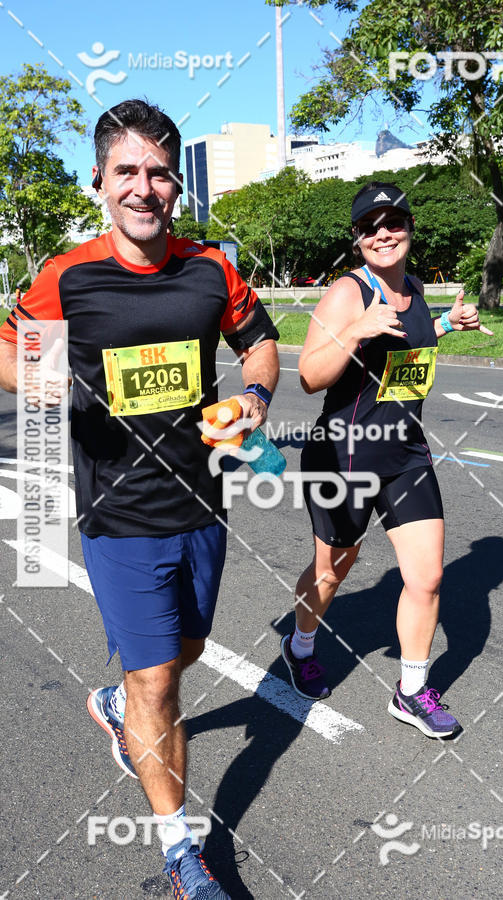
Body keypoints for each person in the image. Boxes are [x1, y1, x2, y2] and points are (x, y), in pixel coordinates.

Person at [0, 99, 280, 899]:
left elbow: (260, 342)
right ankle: (181, 851)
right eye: (127, 170)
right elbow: (8, 348)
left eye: (159, 172)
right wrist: (29, 376)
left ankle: (115, 699)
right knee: (157, 682)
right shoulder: (68, 276)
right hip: (117, 516)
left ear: (175, 186)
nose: (144, 187)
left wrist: (255, 398)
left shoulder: (212, 269)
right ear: (99, 181)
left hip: (203, 505)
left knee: (184, 654)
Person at [280, 181, 492, 739]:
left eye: (393, 223)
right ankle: (300, 645)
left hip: (406, 453)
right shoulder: (348, 293)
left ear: (409, 228)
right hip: (343, 456)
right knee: (332, 570)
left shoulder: (414, 287)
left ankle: (411, 690)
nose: (383, 234)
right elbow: (309, 376)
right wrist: (356, 330)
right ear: (357, 239)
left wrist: (445, 325)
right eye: (370, 228)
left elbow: (406, 351)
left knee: (427, 576)